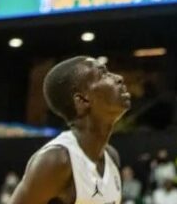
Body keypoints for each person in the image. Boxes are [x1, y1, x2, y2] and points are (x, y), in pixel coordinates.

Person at [8, 57, 130, 204]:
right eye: (103, 74)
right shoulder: (57, 160)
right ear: (82, 100)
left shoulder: (111, 157)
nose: (119, 78)